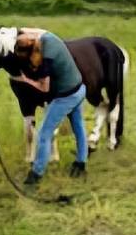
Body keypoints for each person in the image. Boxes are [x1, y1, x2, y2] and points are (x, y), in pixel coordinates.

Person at [13, 29, 88, 185]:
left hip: (66, 97)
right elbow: (27, 32)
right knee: (79, 126)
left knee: (43, 134)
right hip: (80, 88)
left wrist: (25, 79)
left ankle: (36, 174)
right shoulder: (49, 37)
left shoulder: (46, 60)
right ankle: (81, 163)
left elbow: (45, 88)